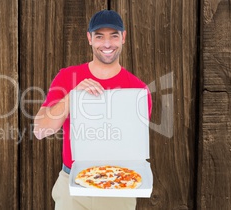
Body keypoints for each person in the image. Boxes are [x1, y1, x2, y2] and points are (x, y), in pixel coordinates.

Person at [33, 10, 152, 210]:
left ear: (123, 37)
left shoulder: (138, 90)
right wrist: (72, 97)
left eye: (114, 35)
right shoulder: (67, 77)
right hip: (72, 186)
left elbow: (133, 146)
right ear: (89, 38)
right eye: (99, 36)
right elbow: (40, 130)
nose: (107, 44)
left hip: (119, 186)